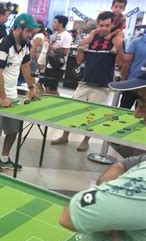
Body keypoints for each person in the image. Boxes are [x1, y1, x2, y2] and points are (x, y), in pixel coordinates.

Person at [59, 68, 146, 241]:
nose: (137, 114)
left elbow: (71, 215)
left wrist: (108, 199)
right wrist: (114, 195)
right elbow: (128, 164)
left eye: (143, 104)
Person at [51, 11, 125, 151]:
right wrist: (81, 52)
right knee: (72, 110)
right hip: (85, 82)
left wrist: (120, 47)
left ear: (112, 24)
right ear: (97, 25)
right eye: (101, 25)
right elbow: (80, 55)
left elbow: (121, 63)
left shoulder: (116, 40)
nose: (103, 28)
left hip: (102, 85)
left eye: (107, 25)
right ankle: (65, 135)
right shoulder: (92, 38)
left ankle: (86, 140)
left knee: (93, 116)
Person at [0, 14, 39, 172]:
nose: (30, 34)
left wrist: (31, 88)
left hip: (12, 93)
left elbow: (26, 66)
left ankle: (5, 158)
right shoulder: (4, 45)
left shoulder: (25, 45)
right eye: (28, 30)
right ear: (18, 28)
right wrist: (2, 97)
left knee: (13, 130)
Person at [44, 15, 72, 95]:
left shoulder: (66, 36)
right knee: (46, 86)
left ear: (61, 24)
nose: (53, 24)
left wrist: (51, 46)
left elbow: (65, 52)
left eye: (55, 22)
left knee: (53, 89)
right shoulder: (54, 34)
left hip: (58, 66)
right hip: (50, 63)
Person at [119, 33, 146, 109]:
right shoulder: (136, 42)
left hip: (133, 83)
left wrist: (123, 80)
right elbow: (126, 63)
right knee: (124, 108)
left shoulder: (136, 42)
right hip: (132, 83)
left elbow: (126, 63)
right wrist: (123, 80)